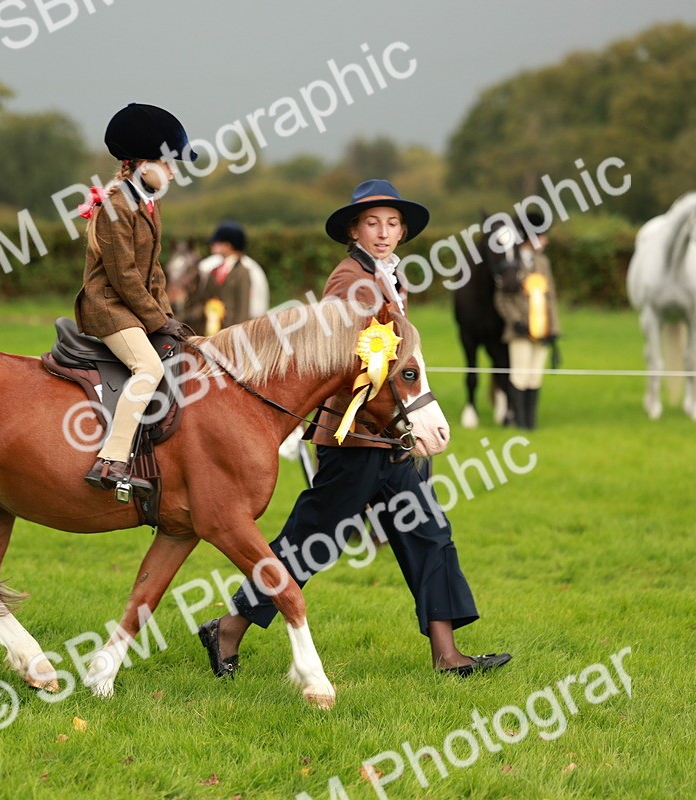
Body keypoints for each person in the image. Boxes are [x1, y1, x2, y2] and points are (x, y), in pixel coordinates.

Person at [197, 179, 510, 678]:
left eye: (392, 224)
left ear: (402, 232)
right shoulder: (349, 280)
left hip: (391, 435)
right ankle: (228, 628)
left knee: (428, 532)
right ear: (354, 230)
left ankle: (447, 655)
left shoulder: (393, 277)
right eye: (372, 223)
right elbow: (342, 359)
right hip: (355, 436)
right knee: (311, 542)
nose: (383, 232)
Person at [74, 102, 193, 494]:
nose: (173, 172)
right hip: (109, 308)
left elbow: (153, 272)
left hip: (132, 308)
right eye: (168, 164)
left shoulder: (147, 205)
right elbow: (124, 277)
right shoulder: (116, 208)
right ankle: (111, 460)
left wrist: (170, 318)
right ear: (144, 165)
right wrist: (157, 321)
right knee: (149, 368)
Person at [493, 211, 560, 430]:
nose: (546, 241)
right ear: (531, 237)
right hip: (519, 331)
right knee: (520, 375)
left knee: (535, 376)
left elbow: (550, 297)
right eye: (542, 236)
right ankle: (519, 422)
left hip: (542, 330)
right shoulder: (512, 262)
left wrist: (553, 328)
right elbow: (502, 298)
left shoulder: (543, 262)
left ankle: (531, 423)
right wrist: (516, 321)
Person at [192, 220, 269, 335]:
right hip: (210, 331)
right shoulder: (213, 270)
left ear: (228, 245)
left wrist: (238, 334)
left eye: (217, 242)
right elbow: (204, 300)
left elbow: (243, 308)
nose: (212, 245)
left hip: (231, 332)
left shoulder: (242, 272)